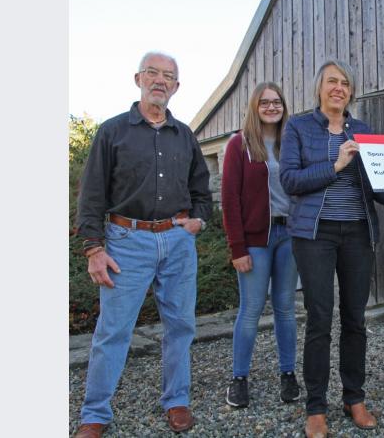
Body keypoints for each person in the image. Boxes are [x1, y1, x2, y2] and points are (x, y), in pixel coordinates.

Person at [279, 59, 384, 438]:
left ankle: (354, 397)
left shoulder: (362, 130)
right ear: (319, 88)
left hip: (357, 234)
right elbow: (289, 180)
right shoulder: (298, 127)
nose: (339, 88)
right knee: (319, 319)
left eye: (345, 83)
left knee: (355, 319)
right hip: (314, 235)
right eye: (332, 81)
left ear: (351, 92)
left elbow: (378, 184)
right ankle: (315, 407)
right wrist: (335, 165)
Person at [73, 51, 212, 438]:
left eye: (168, 75)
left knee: (181, 325)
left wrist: (198, 221)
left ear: (176, 87)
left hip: (177, 241)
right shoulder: (112, 132)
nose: (160, 80)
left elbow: (202, 190)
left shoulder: (185, 135)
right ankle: (96, 413)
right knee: (113, 330)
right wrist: (93, 248)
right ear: (138, 79)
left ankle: (176, 399)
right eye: (152, 72)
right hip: (125, 242)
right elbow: (92, 196)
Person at [221, 82, 300, 408]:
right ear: (255, 107)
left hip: (289, 236)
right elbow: (229, 199)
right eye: (264, 102)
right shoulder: (239, 144)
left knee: (285, 309)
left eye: (276, 101)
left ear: (283, 106)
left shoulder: (291, 143)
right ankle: (239, 378)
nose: (271, 107)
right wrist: (237, 248)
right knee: (251, 311)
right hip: (256, 240)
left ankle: (288, 373)